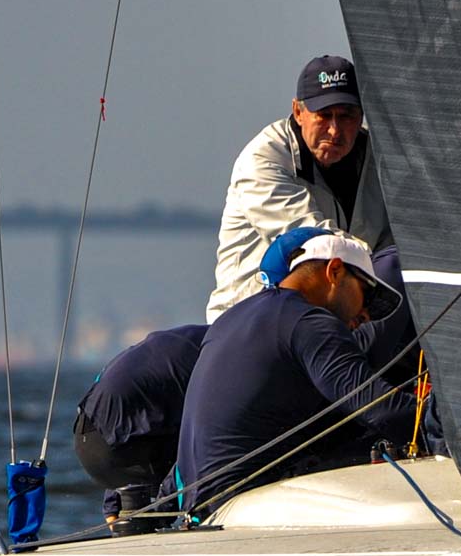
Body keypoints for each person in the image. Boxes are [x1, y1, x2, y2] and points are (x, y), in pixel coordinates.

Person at [177, 230, 422, 517]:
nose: (366, 316)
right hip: (242, 506)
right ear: (335, 271)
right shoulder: (310, 323)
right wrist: (451, 425)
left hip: (196, 509)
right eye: (366, 295)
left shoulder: (234, 317)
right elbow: (381, 410)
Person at [206, 55, 393, 319]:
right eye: (324, 116)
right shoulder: (263, 159)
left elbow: (399, 237)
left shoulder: (381, 160)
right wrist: (385, 268)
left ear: (362, 116)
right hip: (248, 321)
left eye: (346, 116)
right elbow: (313, 241)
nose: (334, 130)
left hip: (332, 318)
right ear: (298, 112)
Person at [72, 324, 207, 528]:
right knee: (210, 440)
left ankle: (127, 519)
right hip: (119, 446)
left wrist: (112, 501)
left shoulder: (190, 339)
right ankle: (173, 520)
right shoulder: (218, 356)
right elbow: (198, 441)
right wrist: (164, 513)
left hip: (88, 439)